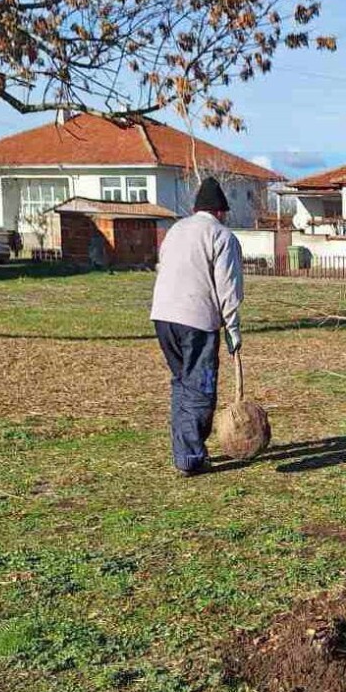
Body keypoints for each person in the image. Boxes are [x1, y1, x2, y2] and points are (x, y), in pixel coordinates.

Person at [150, 177, 244, 476]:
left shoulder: (176, 230)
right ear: (221, 212)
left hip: (163, 316)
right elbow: (228, 288)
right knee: (200, 389)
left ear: (196, 208)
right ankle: (191, 457)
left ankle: (184, 450)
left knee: (181, 382)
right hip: (197, 320)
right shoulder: (221, 236)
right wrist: (233, 330)